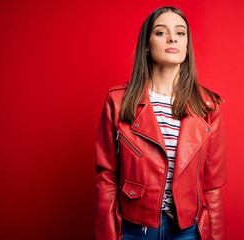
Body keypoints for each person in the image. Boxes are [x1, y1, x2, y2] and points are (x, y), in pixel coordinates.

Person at [95, 6, 226, 240]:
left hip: (187, 231)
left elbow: (212, 185)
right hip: (135, 229)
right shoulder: (118, 101)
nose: (172, 37)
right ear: (146, 45)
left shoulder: (208, 106)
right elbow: (106, 177)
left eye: (180, 32)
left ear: (187, 47)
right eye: (160, 32)